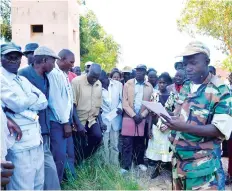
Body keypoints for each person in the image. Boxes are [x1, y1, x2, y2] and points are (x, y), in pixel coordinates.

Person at [161, 41, 232, 190]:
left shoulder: (221, 91)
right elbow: (180, 114)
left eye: (193, 63)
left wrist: (183, 127)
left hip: (201, 167)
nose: (188, 68)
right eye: (185, 64)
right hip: (178, 161)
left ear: (207, 62)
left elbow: (219, 130)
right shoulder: (187, 86)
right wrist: (168, 117)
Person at [1, 43, 47, 190]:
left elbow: (43, 101)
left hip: (36, 139)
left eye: (17, 57)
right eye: (9, 56)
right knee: (22, 187)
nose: (14, 60)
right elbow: (16, 104)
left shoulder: (22, 79)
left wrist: (24, 101)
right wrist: (31, 98)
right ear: (1, 58)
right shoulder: (2, 79)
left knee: (38, 185)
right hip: (19, 143)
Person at [18, 46, 60, 189]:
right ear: (43, 60)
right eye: (52, 62)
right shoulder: (22, 75)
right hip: (26, 132)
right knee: (32, 172)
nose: (54, 66)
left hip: (44, 129)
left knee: (48, 168)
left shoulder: (47, 77)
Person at [47, 49, 76, 183]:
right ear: (62, 59)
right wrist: (65, 123)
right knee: (58, 156)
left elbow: (68, 100)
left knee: (69, 153)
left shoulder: (64, 74)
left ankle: (70, 181)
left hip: (66, 121)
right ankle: (57, 184)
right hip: (58, 122)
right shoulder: (53, 74)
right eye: (71, 62)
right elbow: (55, 101)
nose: (73, 65)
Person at [120, 64, 153, 173]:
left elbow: (151, 104)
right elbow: (124, 103)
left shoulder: (149, 86)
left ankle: (139, 162)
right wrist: (133, 115)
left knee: (140, 142)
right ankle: (126, 166)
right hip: (129, 117)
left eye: (141, 71)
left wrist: (142, 115)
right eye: (137, 70)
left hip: (142, 118)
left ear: (145, 73)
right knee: (127, 142)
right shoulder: (128, 84)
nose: (139, 72)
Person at [72, 63, 106, 160]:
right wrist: (78, 124)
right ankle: (78, 164)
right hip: (78, 119)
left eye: (97, 77)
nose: (94, 80)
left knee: (98, 137)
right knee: (78, 146)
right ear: (88, 72)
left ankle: (85, 158)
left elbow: (98, 105)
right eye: (92, 77)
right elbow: (72, 105)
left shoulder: (98, 84)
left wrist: (101, 122)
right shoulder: (76, 82)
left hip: (91, 119)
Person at [146, 73, 173, 179]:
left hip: (167, 127)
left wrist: (168, 126)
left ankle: (168, 170)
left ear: (168, 83)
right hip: (156, 126)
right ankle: (157, 170)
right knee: (157, 149)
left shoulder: (173, 96)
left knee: (167, 149)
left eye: (164, 82)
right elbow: (150, 113)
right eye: (160, 82)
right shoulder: (154, 95)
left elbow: (177, 114)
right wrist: (149, 129)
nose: (161, 85)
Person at [100, 70, 123, 165]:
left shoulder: (118, 85)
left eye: (101, 79)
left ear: (107, 77)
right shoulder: (97, 86)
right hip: (104, 119)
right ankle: (106, 165)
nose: (99, 81)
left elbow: (122, 99)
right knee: (104, 144)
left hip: (115, 117)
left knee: (115, 143)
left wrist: (120, 108)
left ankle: (114, 164)